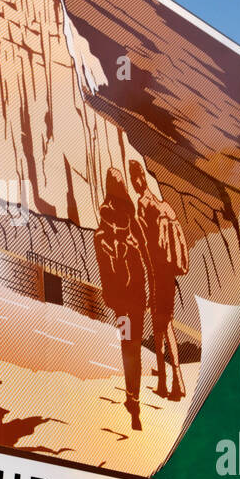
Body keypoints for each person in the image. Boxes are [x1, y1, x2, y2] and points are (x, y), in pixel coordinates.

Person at [129, 159, 188, 400]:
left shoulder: (143, 205)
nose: (134, 184)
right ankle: (173, 379)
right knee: (167, 324)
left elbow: (145, 244)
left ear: (137, 179)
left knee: (159, 326)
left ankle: (171, 381)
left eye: (134, 180)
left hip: (156, 273)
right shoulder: (164, 206)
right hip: (169, 275)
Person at [94, 168, 147, 430]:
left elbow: (105, 271)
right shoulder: (131, 222)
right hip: (137, 299)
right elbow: (145, 260)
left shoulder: (101, 230)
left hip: (122, 303)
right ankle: (133, 397)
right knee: (134, 347)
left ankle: (132, 398)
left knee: (127, 346)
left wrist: (112, 299)